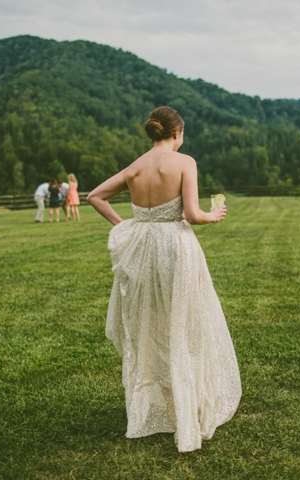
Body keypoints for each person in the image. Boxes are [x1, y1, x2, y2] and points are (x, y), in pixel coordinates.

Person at [87, 106, 241, 452]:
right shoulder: (185, 162)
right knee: (186, 323)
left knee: (152, 325)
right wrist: (212, 215)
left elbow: (94, 196)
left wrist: (125, 226)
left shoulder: (136, 166)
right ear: (178, 132)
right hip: (175, 247)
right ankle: (187, 407)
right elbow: (191, 214)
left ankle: (164, 406)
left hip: (142, 249)